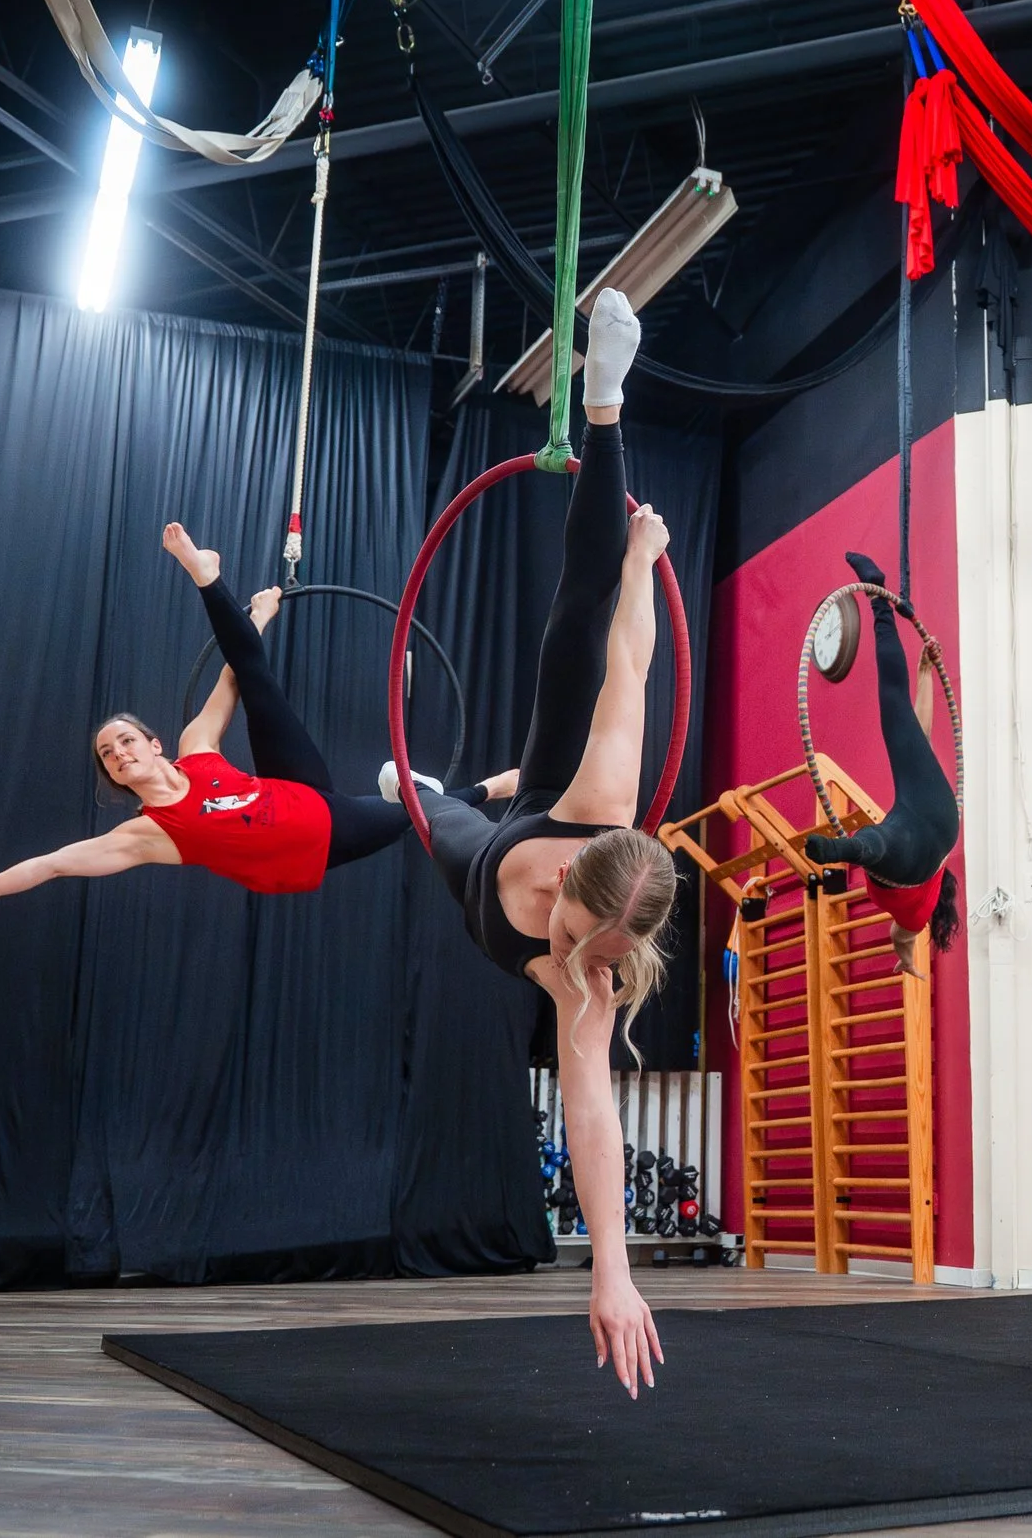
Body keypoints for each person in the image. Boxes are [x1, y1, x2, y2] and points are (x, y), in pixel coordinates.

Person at [416, 290, 681, 1399]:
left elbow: (591, 1110)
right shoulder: (603, 804)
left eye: (606, 955)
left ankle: (434, 787)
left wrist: (610, 1271)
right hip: (526, 824)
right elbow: (634, 657)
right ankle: (607, 396)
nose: (586, 958)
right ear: (582, 877)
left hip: (480, 906)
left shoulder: (594, 977)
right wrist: (637, 561)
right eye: (587, 932)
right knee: (577, 627)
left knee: (427, 817)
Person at [0, 525, 499, 915]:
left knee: (257, 682)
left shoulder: (195, 746)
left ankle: (206, 574)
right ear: (113, 777)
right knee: (417, 819)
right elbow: (51, 864)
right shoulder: (146, 835)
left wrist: (261, 614)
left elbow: (235, 677)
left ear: (153, 743)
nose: (119, 754)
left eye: (125, 740)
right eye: (109, 755)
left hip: (300, 791)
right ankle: (477, 788)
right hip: (318, 844)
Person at [804, 551, 959, 969]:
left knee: (898, 712)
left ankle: (876, 588)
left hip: (942, 820)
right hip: (909, 844)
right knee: (879, 845)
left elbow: (920, 741)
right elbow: (901, 941)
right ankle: (841, 848)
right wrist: (905, 961)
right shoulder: (912, 918)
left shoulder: (924, 906)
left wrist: (926, 675)